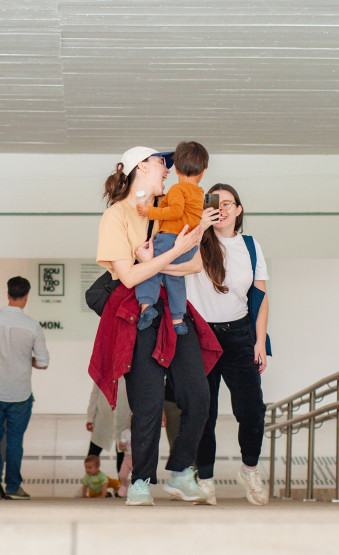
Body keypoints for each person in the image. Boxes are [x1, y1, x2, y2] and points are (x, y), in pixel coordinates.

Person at [88, 146, 222, 506]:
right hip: (140, 315)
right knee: (147, 404)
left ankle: (180, 472)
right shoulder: (116, 216)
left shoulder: (172, 206)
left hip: (175, 311)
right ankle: (141, 482)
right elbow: (130, 277)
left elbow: (195, 265)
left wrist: (161, 260)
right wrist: (173, 254)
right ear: (141, 168)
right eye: (162, 163)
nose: (168, 169)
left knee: (199, 396)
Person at [186, 183, 271, 506]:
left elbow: (260, 297)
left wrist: (260, 341)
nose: (221, 209)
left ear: (238, 210)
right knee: (203, 413)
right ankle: (205, 479)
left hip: (239, 335)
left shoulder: (250, 246)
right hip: (200, 336)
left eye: (227, 203)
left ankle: (249, 469)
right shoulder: (195, 239)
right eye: (214, 203)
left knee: (252, 409)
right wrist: (199, 226)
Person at [0, 276, 50, 500]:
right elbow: (43, 363)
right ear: (26, 297)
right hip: (20, 394)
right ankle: (13, 487)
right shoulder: (32, 326)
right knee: (15, 441)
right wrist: (28, 360)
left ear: (8, 294)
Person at [134, 141, 209, 335]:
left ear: (175, 169)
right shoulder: (199, 193)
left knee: (151, 268)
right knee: (175, 278)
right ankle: (178, 319)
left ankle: (146, 307)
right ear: (203, 172)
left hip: (170, 240)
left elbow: (175, 212)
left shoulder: (178, 189)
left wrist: (149, 212)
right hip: (188, 248)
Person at [86, 380, 129, 474]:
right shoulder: (101, 372)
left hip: (124, 423)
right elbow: (95, 394)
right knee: (92, 456)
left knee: (122, 457)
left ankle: (121, 482)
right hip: (103, 421)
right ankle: (90, 481)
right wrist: (90, 418)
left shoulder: (130, 374)